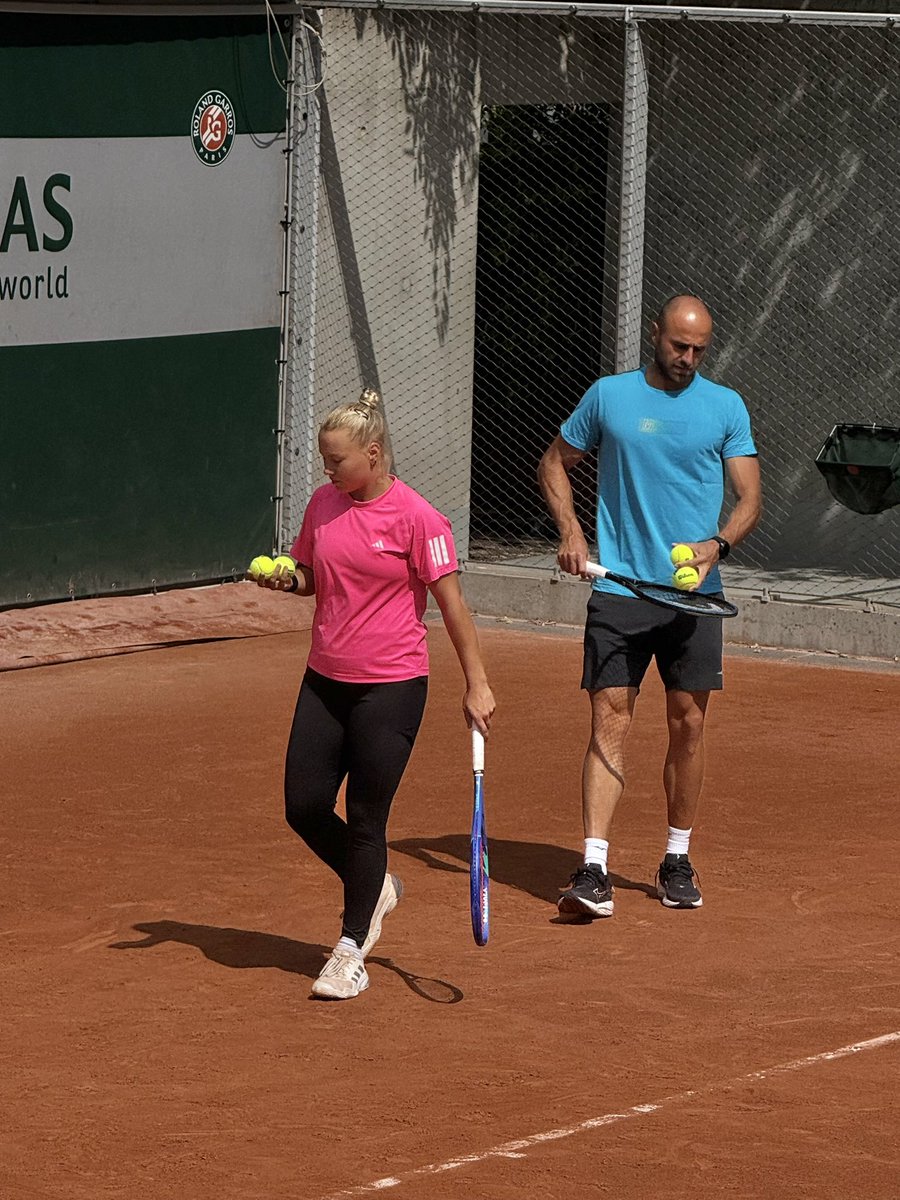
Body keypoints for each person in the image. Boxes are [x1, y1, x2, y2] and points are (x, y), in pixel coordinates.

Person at [255, 388, 495, 1000]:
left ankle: (349, 948)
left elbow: (454, 607)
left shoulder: (420, 519)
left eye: (336, 460)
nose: (327, 471)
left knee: (366, 817)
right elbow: (312, 575)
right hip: (325, 680)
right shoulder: (323, 505)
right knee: (303, 806)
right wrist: (290, 578)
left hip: (391, 686)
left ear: (374, 452)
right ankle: (377, 883)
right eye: (323, 461)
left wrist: (478, 685)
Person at [537, 295, 761, 918]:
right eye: (678, 345)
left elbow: (749, 499)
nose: (688, 358)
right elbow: (555, 462)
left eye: (699, 350)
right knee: (610, 718)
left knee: (688, 724)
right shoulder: (609, 397)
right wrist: (572, 532)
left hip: (694, 598)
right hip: (618, 593)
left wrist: (715, 546)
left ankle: (677, 857)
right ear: (655, 334)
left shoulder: (725, 407)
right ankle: (595, 867)